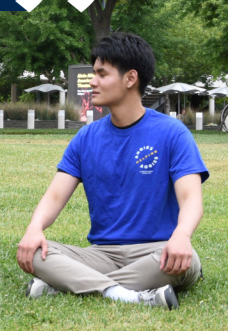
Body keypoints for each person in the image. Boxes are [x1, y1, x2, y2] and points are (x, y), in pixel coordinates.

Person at [17, 33, 208, 310]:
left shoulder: (172, 133)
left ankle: (68, 284)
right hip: (101, 253)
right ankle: (125, 294)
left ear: (130, 79)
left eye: (101, 74)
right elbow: (55, 196)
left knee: (187, 261)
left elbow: (191, 198)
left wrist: (181, 236)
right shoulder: (86, 137)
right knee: (34, 252)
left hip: (157, 250)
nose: (92, 81)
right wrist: (34, 228)